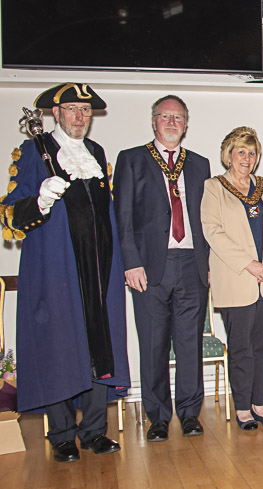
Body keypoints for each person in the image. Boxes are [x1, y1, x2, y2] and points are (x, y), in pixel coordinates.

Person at [0, 83, 129, 462]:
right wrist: (39, 198)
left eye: (85, 111)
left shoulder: (95, 153)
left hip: (100, 268)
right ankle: (61, 434)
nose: (80, 117)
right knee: (59, 345)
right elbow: (10, 214)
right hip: (58, 268)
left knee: (97, 347)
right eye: (72, 109)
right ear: (55, 114)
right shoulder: (32, 153)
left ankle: (93, 430)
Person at [114, 95, 210, 441]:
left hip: (192, 265)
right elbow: (122, 217)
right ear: (153, 121)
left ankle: (189, 413)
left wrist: (210, 262)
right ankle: (157, 415)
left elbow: (208, 220)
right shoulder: (132, 160)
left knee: (189, 344)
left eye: (178, 117)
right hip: (150, 267)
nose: (171, 122)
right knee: (153, 343)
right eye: (165, 116)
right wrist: (131, 262)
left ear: (186, 124)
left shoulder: (199, 164)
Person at [201, 127, 263, 429]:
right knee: (240, 347)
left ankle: (259, 404)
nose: (247, 158)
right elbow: (213, 231)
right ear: (229, 154)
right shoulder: (214, 187)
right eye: (241, 151)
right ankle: (242, 408)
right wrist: (250, 264)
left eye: (252, 153)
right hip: (237, 278)